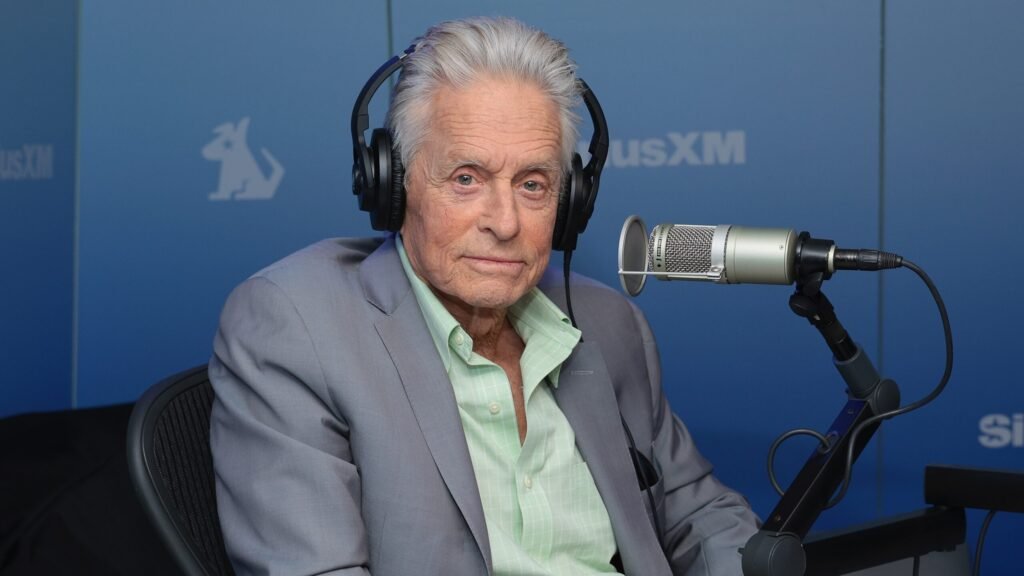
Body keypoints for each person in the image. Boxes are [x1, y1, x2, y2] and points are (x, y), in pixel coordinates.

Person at [209, 16, 758, 576]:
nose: (505, 222)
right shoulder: (297, 326)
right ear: (395, 183)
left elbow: (701, 515)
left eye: (532, 184)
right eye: (466, 179)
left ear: (570, 202)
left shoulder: (609, 323)